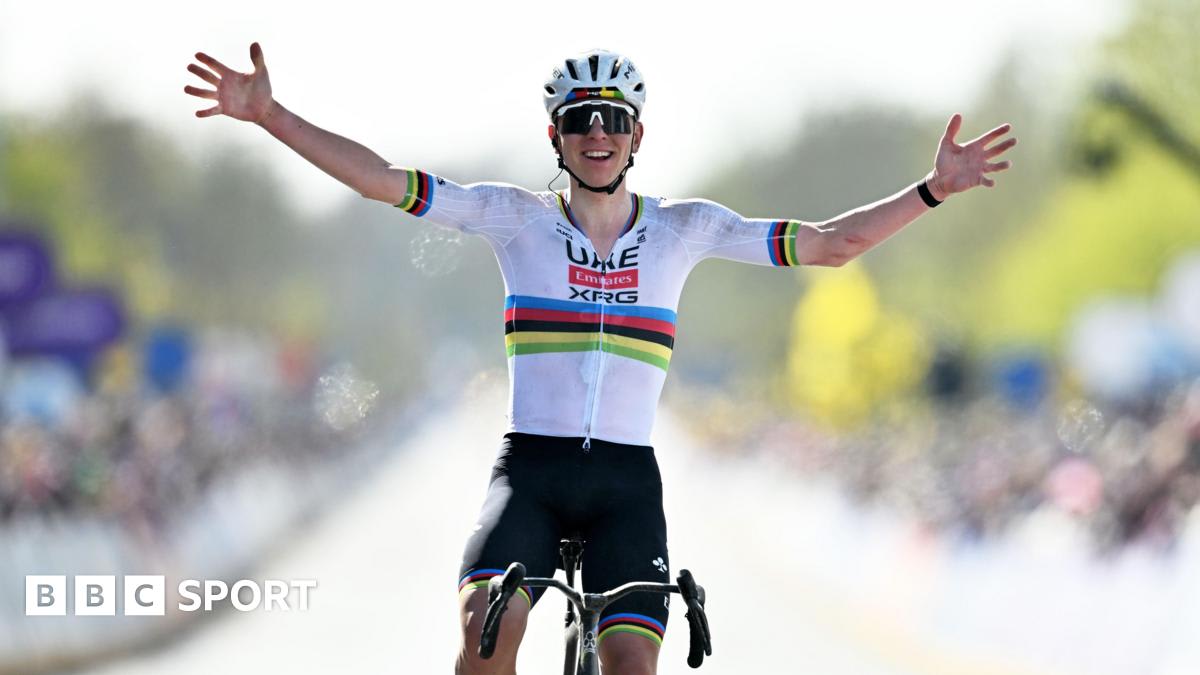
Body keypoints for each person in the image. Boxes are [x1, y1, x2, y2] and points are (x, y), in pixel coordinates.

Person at [185, 43, 1015, 675]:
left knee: (630, 663)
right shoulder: (513, 216)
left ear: (636, 135)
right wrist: (272, 115)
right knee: (487, 634)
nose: (597, 133)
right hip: (532, 472)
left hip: (625, 482)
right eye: (580, 118)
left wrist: (932, 189)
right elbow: (380, 180)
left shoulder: (686, 228)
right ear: (555, 132)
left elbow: (832, 244)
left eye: (613, 120)